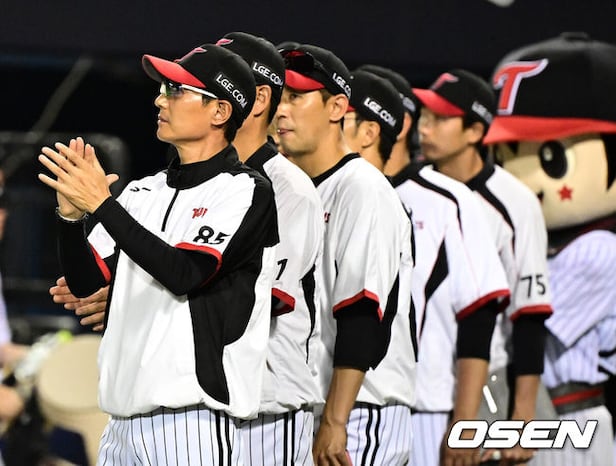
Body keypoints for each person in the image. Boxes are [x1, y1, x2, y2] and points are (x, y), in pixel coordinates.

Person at [38, 43, 279, 464]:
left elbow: (185, 273)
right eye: (164, 89)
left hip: (191, 420)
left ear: (220, 111)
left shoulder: (245, 190)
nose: (160, 100)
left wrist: (102, 204)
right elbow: (86, 282)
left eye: (177, 90)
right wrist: (71, 219)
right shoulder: (142, 191)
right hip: (120, 420)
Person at [350, 68, 511, 465]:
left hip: (427, 408)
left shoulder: (447, 200)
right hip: (338, 401)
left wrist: (465, 424)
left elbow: (479, 315)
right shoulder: (335, 190)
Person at [277, 44, 416, 465]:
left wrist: (336, 421)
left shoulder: (363, 188)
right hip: (318, 403)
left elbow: (361, 311)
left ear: (337, 107)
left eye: (296, 97)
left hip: (360, 410)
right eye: (279, 97)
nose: (281, 110)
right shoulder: (296, 189)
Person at [415, 69, 553, 464]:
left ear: (475, 131)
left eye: (441, 118)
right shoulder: (413, 187)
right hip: (418, 380)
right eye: (425, 115)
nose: (425, 127)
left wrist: (523, 417)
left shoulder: (515, 202)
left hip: (488, 381)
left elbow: (529, 315)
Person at [217, 31, 324, 465]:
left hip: (269, 407)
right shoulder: (197, 181)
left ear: (259, 98)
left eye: (220, 78)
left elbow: (263, 299)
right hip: (207, 401)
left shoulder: (288, 189)